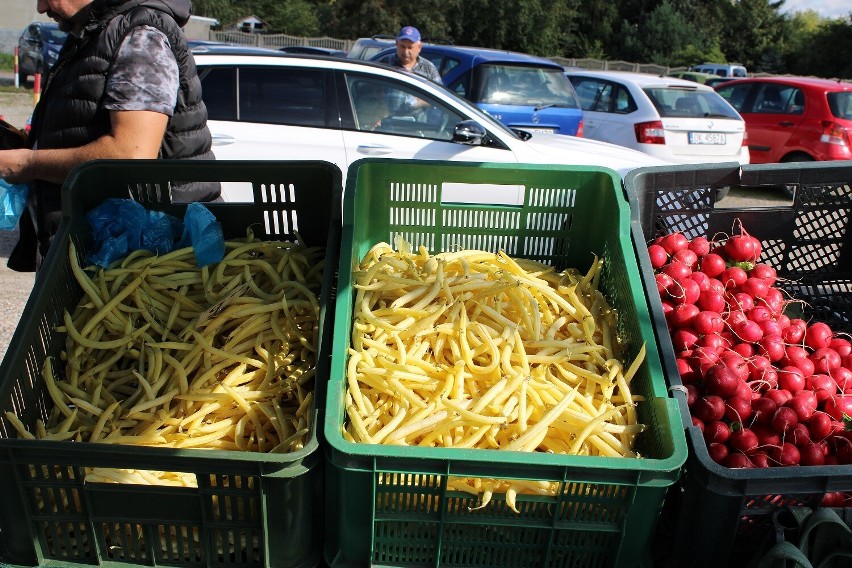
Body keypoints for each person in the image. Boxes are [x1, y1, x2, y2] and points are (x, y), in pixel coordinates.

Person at [0, 0, 218, 272]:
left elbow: (130, 155)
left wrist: (26, 164)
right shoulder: (93, 35)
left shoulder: (140, 37)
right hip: (108, 255)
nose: (42, 8)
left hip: (144, 263)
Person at [375, 26, 442, 83]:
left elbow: (439, 93)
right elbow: (372, 87)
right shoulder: (385, 63)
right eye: (402, 47)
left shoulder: (429, 69)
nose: (406, 52)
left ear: (419, 47)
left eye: (410, 48)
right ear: (397, 44)